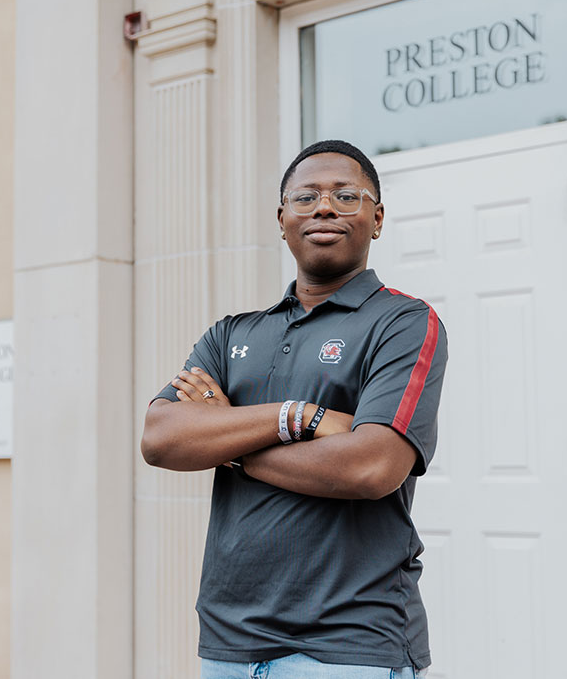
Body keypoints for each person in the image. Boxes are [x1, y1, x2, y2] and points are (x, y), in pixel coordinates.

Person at [141, 139, 448, 679]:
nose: (324, 207)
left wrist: (230, 445)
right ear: (281, 219)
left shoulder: (402, 323)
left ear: (377, 219)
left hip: (349, 645)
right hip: (228, 644)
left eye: (346, 196)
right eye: (305, 197)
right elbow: (162, 438)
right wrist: (298, 417)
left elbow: (371, 465)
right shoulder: (230, 335)